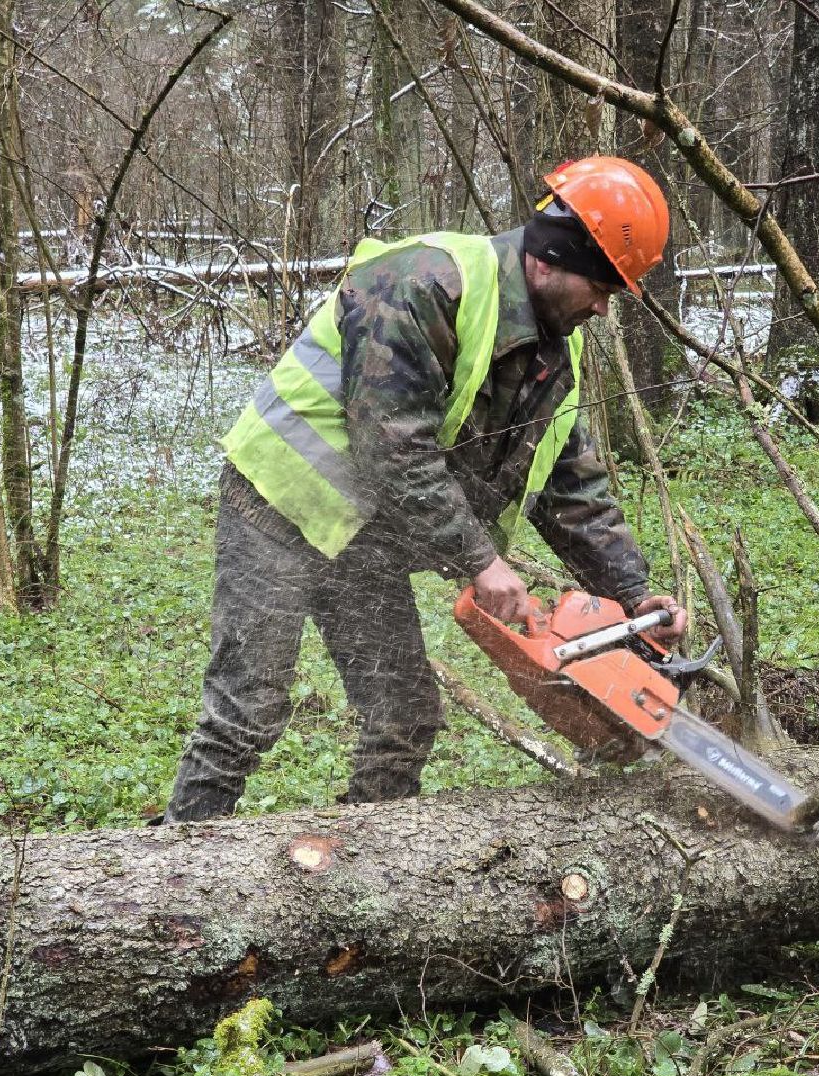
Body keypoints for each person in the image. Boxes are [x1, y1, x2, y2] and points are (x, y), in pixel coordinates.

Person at [164, 156, 689, 822]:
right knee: (247, 711)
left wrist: (635, 595)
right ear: (552, 259)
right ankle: (175, 877)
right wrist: (481, 560)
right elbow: (393, 449)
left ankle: (367, 881)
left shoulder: (557, 353)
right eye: (602, 285)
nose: (603, 306)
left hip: (365, 537)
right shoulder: (423, 282)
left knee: (404, 717)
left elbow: (571, 485)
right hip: (280, 505)